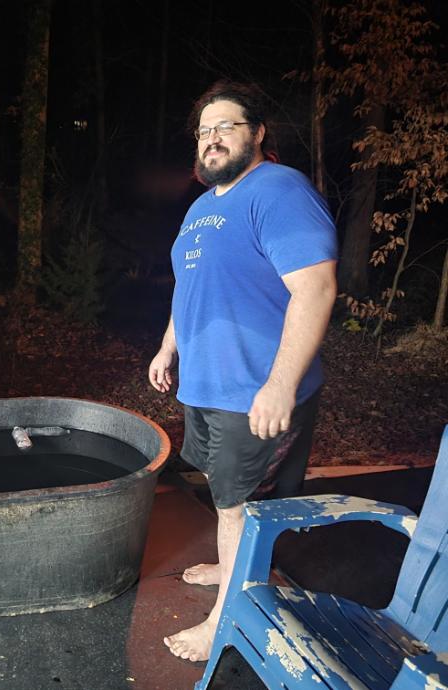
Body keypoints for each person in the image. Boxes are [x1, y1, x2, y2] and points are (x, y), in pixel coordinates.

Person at [148, 81, 337, 662]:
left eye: (225, 127)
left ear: (257, 133)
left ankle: (224, 621)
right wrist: (167, 348)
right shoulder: (201, 208)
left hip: (252, 388)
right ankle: (233, 565)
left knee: (237, 505)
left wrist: (279, 386)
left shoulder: (279, 190)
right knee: (223, 486)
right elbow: (189, 287)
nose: (211, 138)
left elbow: (315, 288)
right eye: (204, 130)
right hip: (206, 385)